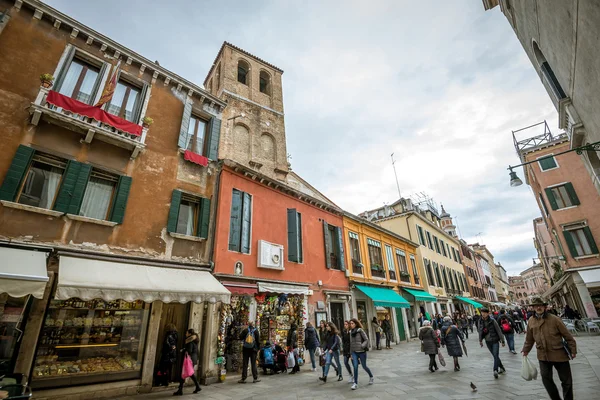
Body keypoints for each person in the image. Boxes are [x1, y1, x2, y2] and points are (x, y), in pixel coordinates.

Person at [522, 297, 577, 400]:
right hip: (543, 355)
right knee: (546, 379)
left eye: (540, 305)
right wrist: (526, 350)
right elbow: (529, 338)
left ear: (544, 307)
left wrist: (573, 350)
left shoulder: (555, 319)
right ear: (533, 308)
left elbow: (567, 336)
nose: (538, 307)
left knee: (566, 381)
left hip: (559, 353)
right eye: (536, 306)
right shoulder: (531, 321)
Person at [478, 307, 506, 379]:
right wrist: (480, 340)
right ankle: (502, 367)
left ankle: (495, 370)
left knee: (496, 354)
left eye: (484, 313)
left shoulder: (492, 320)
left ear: (488, 313)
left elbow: (498, 330)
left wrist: (502, 340)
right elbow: (480, 331)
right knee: (494, 355)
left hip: (495, 340)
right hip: (488, 341)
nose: (483, 314)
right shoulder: (480, 321)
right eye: (482, 313)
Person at [173, 329, 202, 395]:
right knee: (188, 373)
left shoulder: (190, 342)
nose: (185, 334)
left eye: (186, 333)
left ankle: (180, 390)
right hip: (193, 359)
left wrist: (183, 350)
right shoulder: (195, 341)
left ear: (189, 334)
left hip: (189, 359)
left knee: (185, 373)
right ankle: (197, 387)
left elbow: (189, 350)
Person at [348, 318, 374, 390]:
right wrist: (350, 354)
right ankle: (355, 383)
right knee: (355, 367)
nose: (351, 325)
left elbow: (366, 339)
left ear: (356, 324)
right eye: (350, 323)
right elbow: (351, 343)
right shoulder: (350, 332)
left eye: (352, 323)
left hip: (362, 352)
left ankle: (371, 376)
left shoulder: (360, 330)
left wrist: (362, 346)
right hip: (354, 352)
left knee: (364, 366)